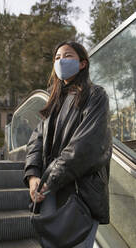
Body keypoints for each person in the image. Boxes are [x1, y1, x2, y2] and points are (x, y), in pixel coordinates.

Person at [23, 41, 112, 248]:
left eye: (68, 56)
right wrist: (33, 175)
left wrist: (49, 178)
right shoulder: (54, 102)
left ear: (82, 64)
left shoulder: (96, 95)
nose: (61, 61)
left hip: (81, 193)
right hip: (49, 189)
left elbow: (86, 146)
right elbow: (36, 140)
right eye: (57, 58)